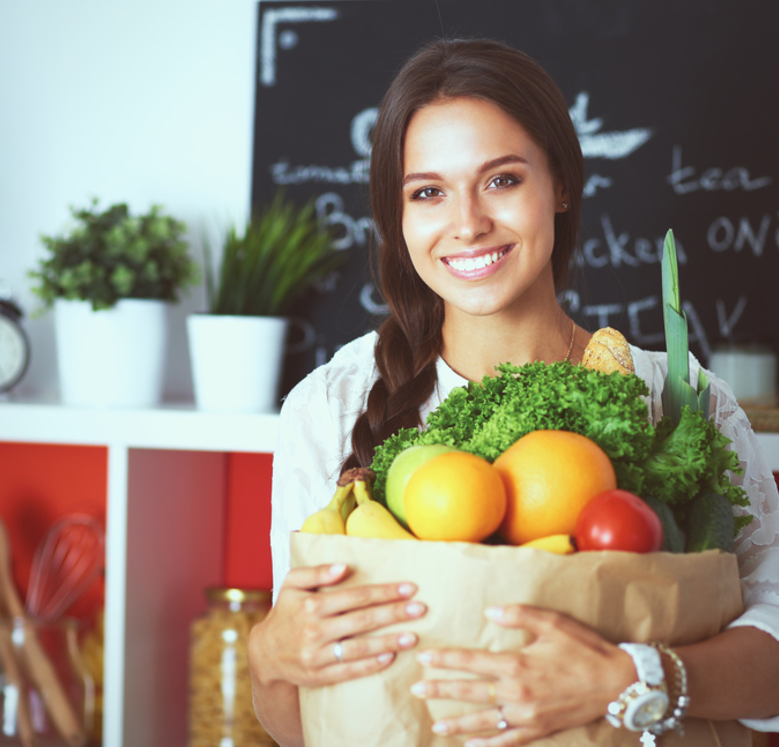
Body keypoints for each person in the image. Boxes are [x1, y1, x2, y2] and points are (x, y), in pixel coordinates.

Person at [247, 37, 779, 746]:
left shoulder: (682, 398)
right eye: (428, 192)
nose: (467, 222)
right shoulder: (332, 406)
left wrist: (633, 677)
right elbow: (301, 728)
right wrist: (267, 659)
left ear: (559, 184)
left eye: (501, 180)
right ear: (397, 216)